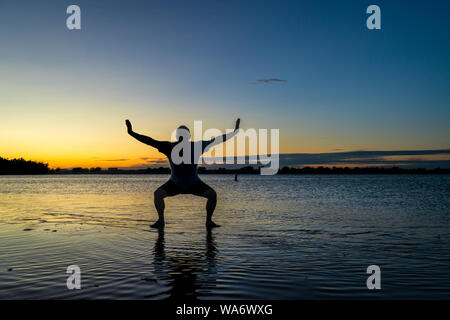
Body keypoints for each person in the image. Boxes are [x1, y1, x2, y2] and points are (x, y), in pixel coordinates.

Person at [125, 118, 240, 228]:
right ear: (177, 136)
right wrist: (131, 132)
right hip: (174, 184)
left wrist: (234, 132)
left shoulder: (197, 146)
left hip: (194, 184)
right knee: (158, 194)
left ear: (189, 136)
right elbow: (149, 141)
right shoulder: (169, 146)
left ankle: (208, 221)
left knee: (212, 195)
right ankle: (161, 221)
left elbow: (217, 140)